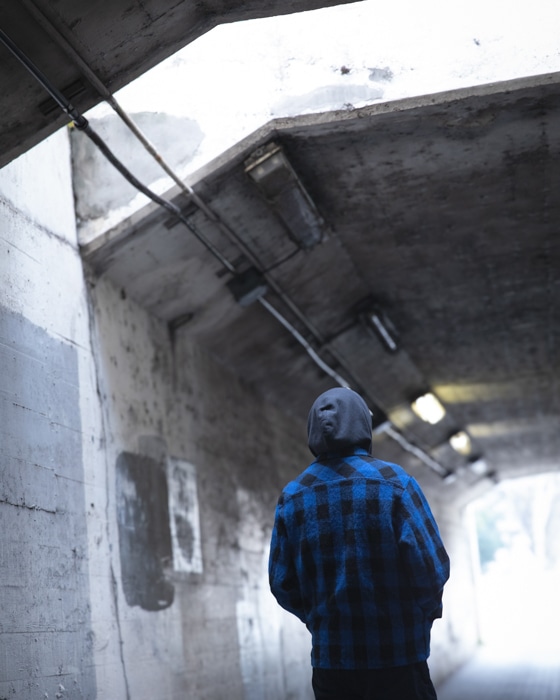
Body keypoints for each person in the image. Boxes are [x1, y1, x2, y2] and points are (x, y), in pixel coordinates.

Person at [268, 387, 450, 700]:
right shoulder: (396, 483)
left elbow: (282, 583)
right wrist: (419, 618)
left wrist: (322, 620)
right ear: (361, 426)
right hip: (398, 659)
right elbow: (431, 569)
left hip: (332, 666)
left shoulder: (293, 497)